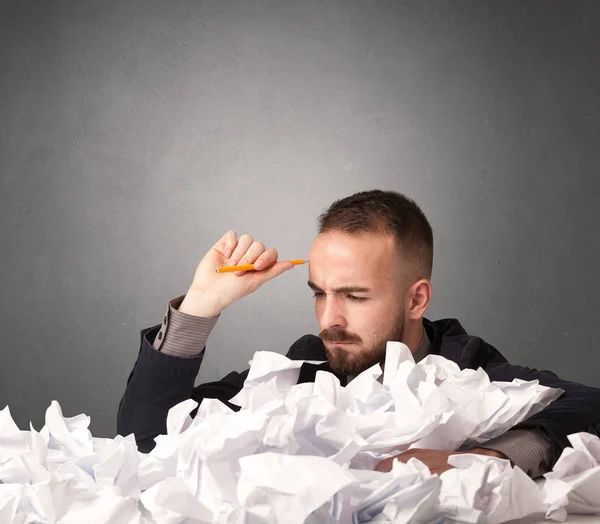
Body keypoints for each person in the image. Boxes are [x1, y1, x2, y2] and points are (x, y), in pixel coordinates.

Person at [117, 190, 600, 478]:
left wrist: (482, 459)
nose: (330, 319)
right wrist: (201, 304)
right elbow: (144, 435)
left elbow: (589, 406)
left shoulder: (466, 365)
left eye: (354, 296)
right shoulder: (307, 366)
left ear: (416, 299)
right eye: (319, 293)